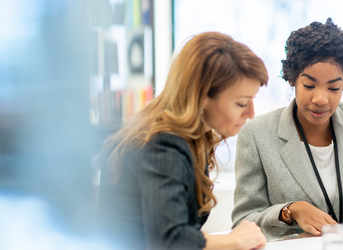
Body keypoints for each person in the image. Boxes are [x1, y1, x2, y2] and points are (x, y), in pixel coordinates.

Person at [96, 32, 268, 250]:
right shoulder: (164, 145)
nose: (251, 113)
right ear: (202, 95)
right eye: (242, 103)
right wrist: (236, 239)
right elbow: (170, 239)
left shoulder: (193, 136)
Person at [231, 18, 343, 242]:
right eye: (309, 86)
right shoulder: (257, 133)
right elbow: (243, 221)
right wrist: (289, 211)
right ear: (292, 79)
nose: (320, 99)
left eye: (334, 88)